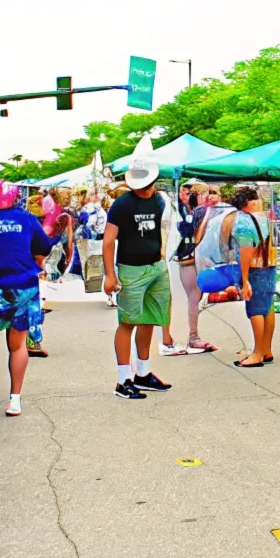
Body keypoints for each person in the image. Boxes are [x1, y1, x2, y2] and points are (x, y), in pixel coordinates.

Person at [0, 180, 50, 417]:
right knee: (18, 345)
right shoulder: (26, 218)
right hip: (24, 286)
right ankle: (15, 400)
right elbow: (43, 246)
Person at [102, 160, 174, 399]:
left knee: (150, 318)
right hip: (131, 270)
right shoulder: (121, 205)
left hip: (156, 266)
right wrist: (110, 275)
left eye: (147, 186)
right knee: (127, 322)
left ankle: (143, 373)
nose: (144, 190)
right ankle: (123, 380)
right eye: (139, 187)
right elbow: (109, 241)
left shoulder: (159, 200)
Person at [164, 182, 218, 355]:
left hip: (190, 256)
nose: (188, 196)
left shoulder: (193, 211)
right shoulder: (186, 211)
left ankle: (191, 336)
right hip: (189, 257)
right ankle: (192, 336)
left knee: (195, 297)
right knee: (194, 297)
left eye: (191, 193)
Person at [230, 187, 276, 369]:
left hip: (256, 269)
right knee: (267, 307)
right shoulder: (264, 217)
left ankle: (257, 354)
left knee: (255, 309)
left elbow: (246, 252)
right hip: (270, 266)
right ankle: (266, 350)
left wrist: (244, 279)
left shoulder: (243, 222)